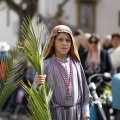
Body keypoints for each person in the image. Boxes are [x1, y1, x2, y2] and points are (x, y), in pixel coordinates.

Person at [34, 25, 92, 120]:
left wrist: (85, 115)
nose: (64, 43)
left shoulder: (77, 64)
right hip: (55, 115)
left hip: (76, 115)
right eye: (60, 40)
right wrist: (37, 84)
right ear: (53, 42)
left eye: (67, 40)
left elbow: (85, 94)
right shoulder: (45, 65)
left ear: (71, 43)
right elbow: (34, 97)